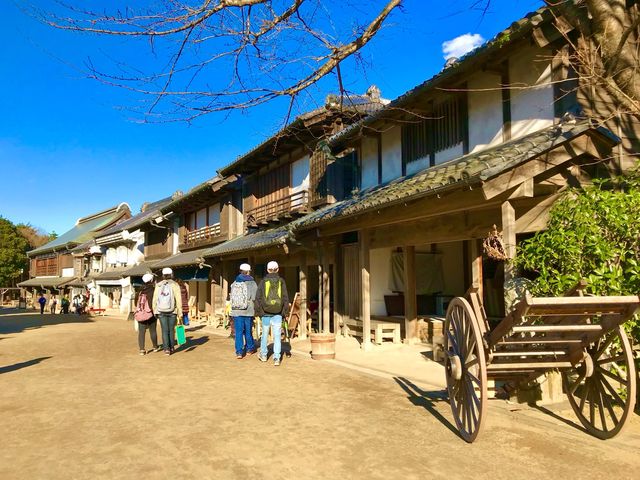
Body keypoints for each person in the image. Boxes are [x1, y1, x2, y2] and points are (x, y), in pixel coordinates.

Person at [255, 260, 289, 366]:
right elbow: (285, 298)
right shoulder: (281, 281)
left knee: (264, 335)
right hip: (278, 313)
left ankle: (264, 355)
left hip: (265, 313)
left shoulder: (263, 282)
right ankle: (277, 358)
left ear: (267, 270)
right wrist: (285, 312)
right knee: (277, 336)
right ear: (278, 269)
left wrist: (258, 312)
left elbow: (258, 298)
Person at [229, 263, 258, 359]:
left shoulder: (234, 283)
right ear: (249, 271)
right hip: (248, 310)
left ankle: (239, 352)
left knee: (239, 332)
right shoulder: (252, 283)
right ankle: (250, 349)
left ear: (240, 270)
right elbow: (255, 297)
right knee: (248, 331)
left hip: (237, 311)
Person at [152, 267, 182, 356]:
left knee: (164, 330)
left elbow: (155, 298)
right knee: (171, 330)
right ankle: (172, 347)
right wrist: (180, 312)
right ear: (171, 274)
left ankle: (166, 349)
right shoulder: (175, 285)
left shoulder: (159, 285)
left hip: (161, 311)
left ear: (163, 275)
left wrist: (155, 310)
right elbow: (179, 299)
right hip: (173, 311)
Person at [135, 274, 162, 355]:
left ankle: (142, 350)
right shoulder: (153, 290)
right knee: (153, 331)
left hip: (141, 313)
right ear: (151, 280)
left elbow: (135, 302)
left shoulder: (139, 290)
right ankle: (155, 347)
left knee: (141, 332)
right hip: (151, 313)